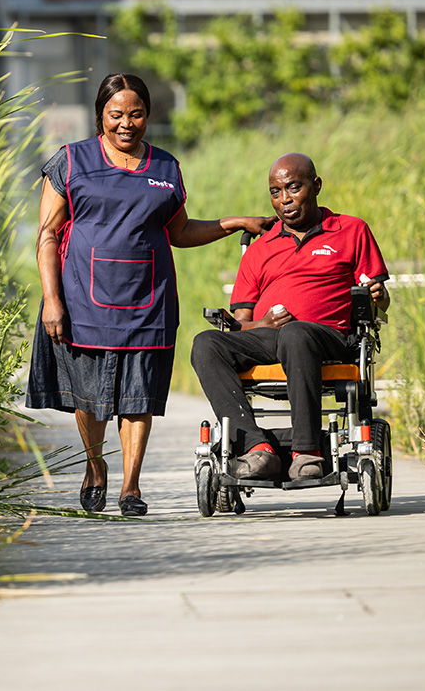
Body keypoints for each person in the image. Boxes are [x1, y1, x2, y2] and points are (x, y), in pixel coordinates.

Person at [26, 73, 274, 516]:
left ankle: (131, 487)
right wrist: (52, 299)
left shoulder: (165, 168)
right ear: (100, 115)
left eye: (135, 114)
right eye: (116, 114)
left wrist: (232, 223)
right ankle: (96, 465)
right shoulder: (71, 161)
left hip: (149, 301)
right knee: (90, 397)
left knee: (139, 397)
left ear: (148, 115)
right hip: (84, 298)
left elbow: (179, 231)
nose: (126, 123)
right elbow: (47, 235)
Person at [191, 152, 390, 481]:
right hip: (268, 336)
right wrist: (263, 324)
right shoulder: (260, 248)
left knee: (297, 333)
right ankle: (257, 449)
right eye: (275, 192)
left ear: (316, 186)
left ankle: (307, 451)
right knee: (205, 343)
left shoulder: (351, 230)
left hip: (329, 338)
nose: (284, 200)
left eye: (293, 188)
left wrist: (380, 297)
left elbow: (379, 300)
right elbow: (241, 323)